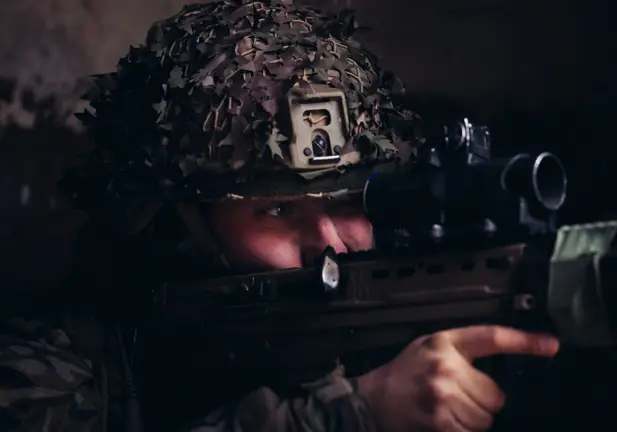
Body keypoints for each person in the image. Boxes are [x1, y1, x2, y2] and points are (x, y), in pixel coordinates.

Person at [0, 1, 560, 431]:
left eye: (349, 202)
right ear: (179, 229)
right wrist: (351, 414)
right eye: (275, 210)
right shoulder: (49, 379)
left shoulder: (403, 329)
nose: (330, 245)